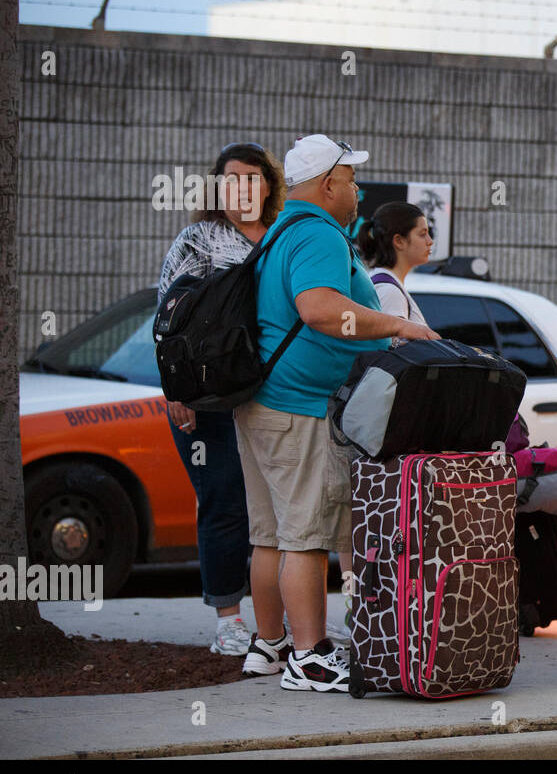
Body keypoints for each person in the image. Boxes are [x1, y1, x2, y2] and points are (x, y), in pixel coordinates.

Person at [234, 134, 437, 691]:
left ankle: (270, 645)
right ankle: (310, 657)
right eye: (350, 179)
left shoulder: (279, 230)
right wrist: (397, 325)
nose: (357, 190)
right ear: (328, 184)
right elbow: (319, 308)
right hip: (299, 407)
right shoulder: (319, 233)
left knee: (269, 536)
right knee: (304, 537)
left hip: (262, 403)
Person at [158, 142, 284, 655]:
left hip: (272, 393)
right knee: (223, 501)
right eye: (231, 179)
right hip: (206, 397)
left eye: (252, 178)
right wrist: (178, 392)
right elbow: (167, 316)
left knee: (277, 510)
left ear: (269, 185)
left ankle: (280, 623)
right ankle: (229, 620)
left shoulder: (282, 236)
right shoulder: (198, 238)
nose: (242, 188)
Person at [357, 201, 437, 333]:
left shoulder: (387, 285)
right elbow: (389, 350)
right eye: (422, 234)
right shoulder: (389, 291)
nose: (430, 241)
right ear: (399, 241)